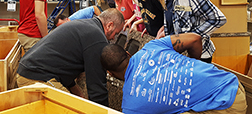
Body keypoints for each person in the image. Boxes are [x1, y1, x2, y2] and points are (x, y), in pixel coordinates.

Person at [101, 33, 247, 114]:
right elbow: (195, 39)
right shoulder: (152, 46)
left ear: (110, 74)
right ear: (128, 54)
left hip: (226, 104)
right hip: (231, 82)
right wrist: (194, 64)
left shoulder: (130, 107)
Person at [16, 8, 125, 107]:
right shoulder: (97, 39)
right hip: (37, 77)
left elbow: (64, 62)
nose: (113, 38)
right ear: (109, 25)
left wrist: (75, 89)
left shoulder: (86, 26)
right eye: (115, 34)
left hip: (29, 71)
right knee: (72, 109)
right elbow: (97, 87)